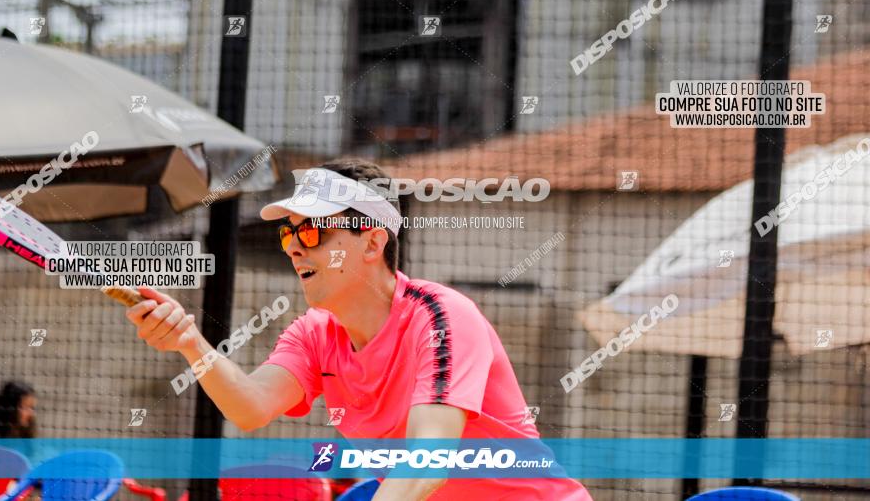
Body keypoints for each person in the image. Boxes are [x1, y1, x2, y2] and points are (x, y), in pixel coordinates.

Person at [126, 158, 592, 500]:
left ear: (372, 242)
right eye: (288, 233)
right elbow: (250, 406)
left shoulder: (442, 316)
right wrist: (190, 342)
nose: (293, 248)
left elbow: (428, 463)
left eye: (312, 233)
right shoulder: (315, 333)